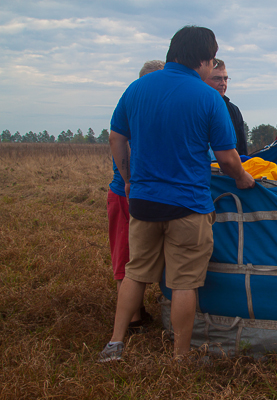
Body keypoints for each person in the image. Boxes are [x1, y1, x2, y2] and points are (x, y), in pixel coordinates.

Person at [99, 26, 255, 362]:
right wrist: (243, 179)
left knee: (135, 271)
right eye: (211, 62)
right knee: (185, 281)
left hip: (143, 201)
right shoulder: (208, 97)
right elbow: (228, 158)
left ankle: (115, 343)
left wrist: (128, 179)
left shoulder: (137, 88)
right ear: (203, 59)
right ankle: (180, 356)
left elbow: (116, 137)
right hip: (188, 206)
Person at [107, 60, 164, 335]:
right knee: (125, 257)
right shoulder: (135, 106)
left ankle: (138, 311)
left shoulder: (144, 107)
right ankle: (131, 322)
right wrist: (129, 181)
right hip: (125, 193)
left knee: (137, 255)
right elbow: (118, 140)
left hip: (141, 193)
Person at [204, 58, 248, 156]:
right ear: (203, 79)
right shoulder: (196, 108)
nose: (223, 83)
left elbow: (242, 150)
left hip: (230, 169)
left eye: (225, 79)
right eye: (217, 79)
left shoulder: (233, 110)